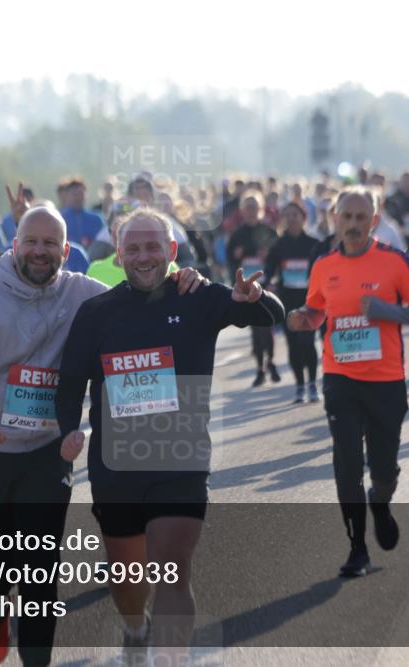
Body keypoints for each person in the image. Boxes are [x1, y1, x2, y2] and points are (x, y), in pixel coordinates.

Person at [0, 187, 206, 666]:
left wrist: (184, 279)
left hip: (46, 452)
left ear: (65, 250)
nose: (40, 251)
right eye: (31, 242)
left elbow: (138, 297)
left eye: (50, 244)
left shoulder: (84, 294)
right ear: (15, 245)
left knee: (39, 572)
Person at [56, 207, 284, 665]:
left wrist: (255, 295)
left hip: (181, 459)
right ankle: (135, 631)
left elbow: (271, 314)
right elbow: (69, 385)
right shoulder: (96, 312)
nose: (144, 257)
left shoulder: (196, 297)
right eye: (133, 248)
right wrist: (67, 432)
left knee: (172, 570)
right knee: (127, 577)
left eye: (153, 247)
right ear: (119, 256)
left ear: (171, 252)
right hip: (116, 467)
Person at [288, 189, 409, 577]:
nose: (352, 225)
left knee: (383, 469)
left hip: (386, 381)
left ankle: (381, 502)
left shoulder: (394, 261)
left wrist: (385, 310)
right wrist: (305, 317)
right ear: (334, 218)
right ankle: (357, 548)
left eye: (360, 217)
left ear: (373, 219)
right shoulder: (323, 265)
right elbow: (319, 310)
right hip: (339, 377)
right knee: (346, 462)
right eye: (346, 217)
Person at [263, 200, 321, 402]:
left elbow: (323, 270)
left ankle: (312, 383)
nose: (291, 219)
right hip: (287, 300)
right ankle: (299, 385)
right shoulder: (279, 245)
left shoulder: (314, 244)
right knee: (293, 344)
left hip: (310, 300)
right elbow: (269, 270)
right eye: (287, 215)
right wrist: (262, 285)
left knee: (307, 341)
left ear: (303, 218)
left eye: (295, 215)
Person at [227, 191, 281, 386]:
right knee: (255, 330)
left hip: (266, 286)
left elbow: (278, 258)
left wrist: (272, 270)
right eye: (247, 207)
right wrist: (237, 262)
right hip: (247, 288)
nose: (251, 211)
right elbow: (230, 260)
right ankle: (260, 368)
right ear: (242, 210)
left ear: (261, 209)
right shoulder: (237, 234)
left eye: (254, 207)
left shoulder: (269, 231)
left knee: (267, 326)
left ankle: (271, 361)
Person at [60, 178, 106, 248]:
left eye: (81, 194)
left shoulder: (96, 219)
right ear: (67, 195)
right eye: (74, 194)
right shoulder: (60, 218)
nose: (78, 198)